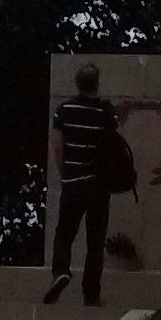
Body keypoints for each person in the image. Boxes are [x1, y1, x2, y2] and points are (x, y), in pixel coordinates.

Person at [44, 60, 118, 306]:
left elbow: (57, 145)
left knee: (64, 233)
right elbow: (112, 145)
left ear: (77, 83)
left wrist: (65, 173)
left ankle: (61, 271)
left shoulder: (64, 110)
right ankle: (91, 293)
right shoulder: (106, 111)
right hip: (99, 185)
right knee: (95, 241)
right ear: (97, 83)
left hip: (73, 183)